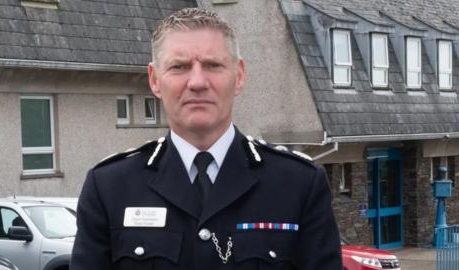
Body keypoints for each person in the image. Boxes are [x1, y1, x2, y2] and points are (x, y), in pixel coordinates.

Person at [71, 8, 342, 270]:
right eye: (179, 66)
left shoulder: (299, 184)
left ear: (239, 76)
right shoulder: (110, 187)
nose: (197, 81)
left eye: (213, 65)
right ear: (155, 80)